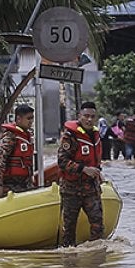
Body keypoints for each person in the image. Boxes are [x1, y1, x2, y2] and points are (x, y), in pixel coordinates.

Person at [57, 101, 104, 247]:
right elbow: (62, 161)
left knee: (98, 224)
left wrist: (98, 173)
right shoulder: (70, 136)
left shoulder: (95, 134)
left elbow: (95, 160)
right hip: (71, 189)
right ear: (79, 116)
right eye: (86, 116)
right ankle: (69, 261)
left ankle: (95, 258)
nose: (89, 120)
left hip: (91, 188)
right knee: (69, 228)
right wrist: (84, 169)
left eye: (92, 117)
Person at [0, 105, 37, 199]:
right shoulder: (10, 137)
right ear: (19, 119)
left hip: (25, 183)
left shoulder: (28, 136)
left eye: (32, 118)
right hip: (11, 185)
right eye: (28, 118)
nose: (31, 121)